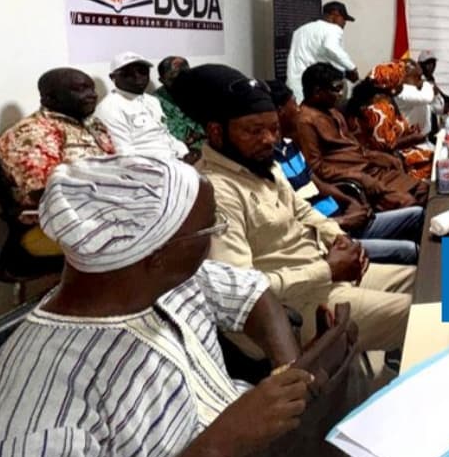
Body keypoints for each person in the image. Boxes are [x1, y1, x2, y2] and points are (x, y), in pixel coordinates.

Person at [0, 156, 380, 457]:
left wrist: (289, 368)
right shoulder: (30, 424)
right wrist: (216, 446)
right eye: (211, 228)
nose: (216, 237)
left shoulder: (155, 282)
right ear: (157, 252)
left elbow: (253, 293)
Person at [174, 64, 414, 354]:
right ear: (216, 132)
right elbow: (239, 291)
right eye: (254, 131)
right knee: (425, 315)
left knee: (435, 279)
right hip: (290, 308)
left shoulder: (262, 164)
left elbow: (303, 211)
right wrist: (326, 270)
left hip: (323, 270)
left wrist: (337, 237)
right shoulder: (216, 192)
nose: (269, 140)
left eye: (273, 129)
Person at [269, 78, 422, 265]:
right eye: (294, 104)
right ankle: (448, 278)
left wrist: (351, 203)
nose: (298, 109)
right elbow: (297, 223)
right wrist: (343, 220)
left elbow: (318, 182)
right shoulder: (270, 164)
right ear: (279, 112)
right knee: (411, 249)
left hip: (345, 213)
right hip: (329, 236)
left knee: (420, 213)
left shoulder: (289, 146)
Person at [0, 67, 116, 256]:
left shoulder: (91, 123)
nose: (92, 95)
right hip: (57, 224)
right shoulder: (31, 133)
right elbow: (47, 195)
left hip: (104, 208)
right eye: (80, 89)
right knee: (147, 230)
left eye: (91, 88)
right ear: (49, 98)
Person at [296, 63, 430, 211]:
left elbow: (355, 147)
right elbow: (316, 168)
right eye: (336, 89)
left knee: (424, 189)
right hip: (355, 180)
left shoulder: (333, 112)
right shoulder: (305, 121)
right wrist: (357, 176)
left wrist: (377, 156)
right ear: (317, 91)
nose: (340, 94)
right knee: (408, 203)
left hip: (369, 168)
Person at [344, 61, 435, 180]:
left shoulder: (377, 100)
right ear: (392, 87)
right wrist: (411, 139)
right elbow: (384, 146)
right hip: (378, 162)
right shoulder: (379, 108)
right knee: (434, 165)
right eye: (400, 82)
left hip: (390, 154)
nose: (402, 85)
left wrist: (408, 133)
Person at [95, 51, 191, 161]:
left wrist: (184, 153)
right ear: (113, 77)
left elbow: (165, 135)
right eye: (128, 73)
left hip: (175, 159)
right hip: (151, 166)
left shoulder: (152, 101)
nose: (137, 77)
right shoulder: (109, 108)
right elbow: (124, 155)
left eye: (142, 71)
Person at [287, 1, 359, 101]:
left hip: (295, 86)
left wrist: (344, 72)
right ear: (335, 15)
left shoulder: (300, 31)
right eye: (344, 19)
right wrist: (352, 68)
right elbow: (331, 47)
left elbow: (321, 56)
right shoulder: (333, 29)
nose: (344, 23)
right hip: (317, 89)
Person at [156, 54, 207, 154]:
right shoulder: (154, 102)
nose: (179, 82)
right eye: (172, 79)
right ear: (162, 80)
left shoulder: (202, 91)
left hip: (208, 146)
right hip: (178, 152)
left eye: (183, 76)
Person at [395, 58, 437, 140]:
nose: (420, 80)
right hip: (407, 142)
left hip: (421, 138)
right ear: (405, 76)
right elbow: (427, 97)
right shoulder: (401, 91)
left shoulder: (417, 90)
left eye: (420, 77)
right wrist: (426, 84)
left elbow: (437, 106)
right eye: (417, 77)